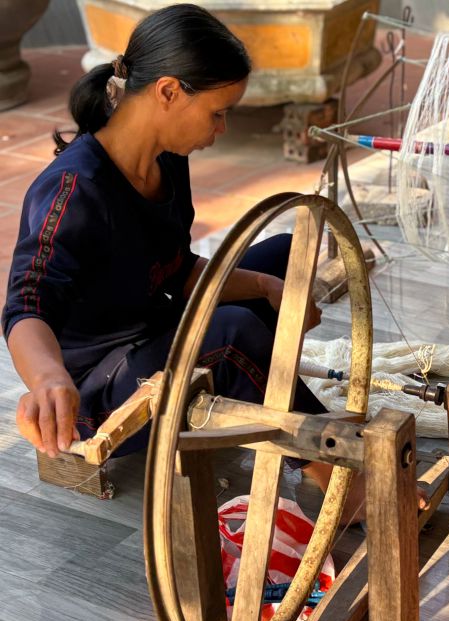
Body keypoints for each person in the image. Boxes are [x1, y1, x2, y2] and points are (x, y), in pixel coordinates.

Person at [1, 4, 375, 519]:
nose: (221, 128)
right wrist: (48, 382)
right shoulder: (74, 189)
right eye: (218, 112)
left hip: (156, 333)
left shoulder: (168, 162)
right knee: (231, 334)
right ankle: (340, 481)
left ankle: (266, 401)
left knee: (283, 256)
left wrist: (267, 285)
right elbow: (26, 307)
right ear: (170, 92)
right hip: (99, 396)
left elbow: (175, 270)